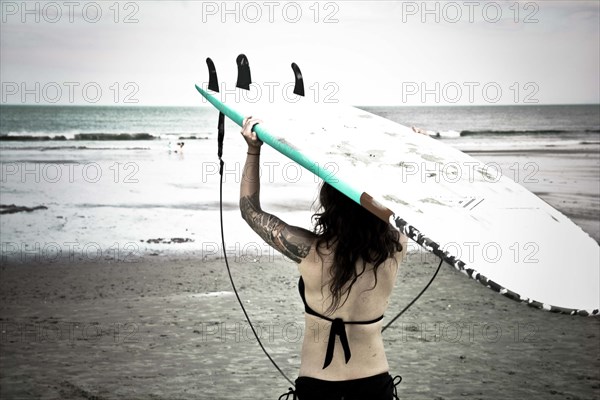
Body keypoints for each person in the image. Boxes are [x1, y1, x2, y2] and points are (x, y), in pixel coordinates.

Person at [239, 116, 408, 400]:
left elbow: (250, 211)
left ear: (330, 205)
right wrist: (407, 149)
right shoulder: (395, 247)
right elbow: (407, 202)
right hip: (373, 384)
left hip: (318, 385)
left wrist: (253, 150)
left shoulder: (310, 251)